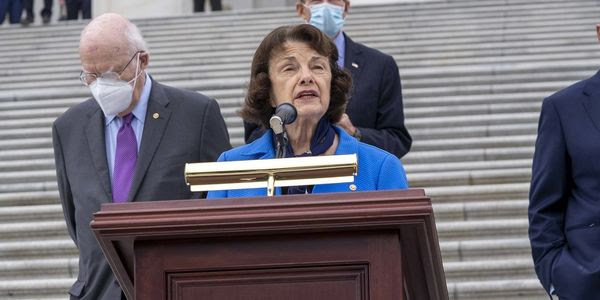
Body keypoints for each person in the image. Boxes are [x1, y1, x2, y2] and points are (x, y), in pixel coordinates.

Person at [52, 13, 231, 299]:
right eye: (91, 76)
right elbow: (77, 222)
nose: (101, 85)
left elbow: (222, 206)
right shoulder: (68, 128)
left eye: (111, 74)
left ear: (142, 61)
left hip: (176, 288)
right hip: (98, 292)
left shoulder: (197, 115)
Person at [208, 24, 407, 199]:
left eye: (317, 67)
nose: (306, 77)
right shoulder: (231, 166)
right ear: (268, 91)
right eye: (289, 68)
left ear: (332, 84)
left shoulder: (381, 168)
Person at [244, 0, 412, 159]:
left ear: (345, 7)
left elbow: (397, 139)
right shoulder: (271, 62)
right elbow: (254, 133)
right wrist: (292, 133)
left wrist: (354, 134)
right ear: (301, 9)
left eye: (317, 67)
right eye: (317, 1)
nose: (306, 77)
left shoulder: (380, 65)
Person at [528, 24, 600, 300]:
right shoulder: (563, 107)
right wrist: (559, 277)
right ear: (599, 33)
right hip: (590, 283)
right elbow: (544, 206)